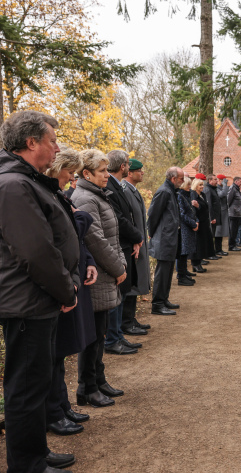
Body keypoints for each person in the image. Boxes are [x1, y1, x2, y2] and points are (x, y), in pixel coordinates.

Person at [0, 110, 78, 472]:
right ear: (31, 142)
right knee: (25, 389)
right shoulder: (11, 185)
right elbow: (34, 251)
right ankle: (27, 464)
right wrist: (65, 291)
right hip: (25, 302)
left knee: (36, 385)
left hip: (34, 299)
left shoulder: (25, 179)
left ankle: (35, 452)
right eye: (51, 141)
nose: (57, 148)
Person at [45, 150, 97, 437]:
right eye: (70, 173)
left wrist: (88, 263)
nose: (72, 179)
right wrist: (80, 218)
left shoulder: (61, 196)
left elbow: (77, 239)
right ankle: (54, 410)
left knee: (62, 351)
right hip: (60, 284)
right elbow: (65, 234)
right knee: (54, 353)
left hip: (73, 277)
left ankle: (61, 404)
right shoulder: (53, 196)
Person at [73, 149, 130, 410]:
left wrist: (120, 264)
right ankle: (87, 387)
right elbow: (96, 240)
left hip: (106, 274)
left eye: (108, 170)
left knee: (101, 330)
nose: (108, 175)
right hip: (97, 275)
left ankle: (99, 379)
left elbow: (112, 236)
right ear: (87, 174)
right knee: (93, 335)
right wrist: (118, 267)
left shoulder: (96, 195)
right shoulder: (85, 198)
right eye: (103, 171)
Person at [104, 150, 144, 354]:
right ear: (123, 166)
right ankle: (112, 338)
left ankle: (118, 334)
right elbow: (120, 218)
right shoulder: (109, 186)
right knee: (117, 295)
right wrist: (137, 237)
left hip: (125, 245)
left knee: (121, 294)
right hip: (119, 245)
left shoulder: (115, 184)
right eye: (128, 164)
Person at [147, 167, 184, 316]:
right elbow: (153, 215)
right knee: (162, 272)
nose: (183, 181)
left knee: (168, 271)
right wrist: (152, 234)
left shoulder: (171, 191)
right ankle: (157, 304)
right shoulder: (164, 191)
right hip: (164, 239)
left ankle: (164, 299)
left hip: (169, 237)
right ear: (173, 179)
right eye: (181, 178)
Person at [122, 159, 152, 336]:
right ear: (129, 173)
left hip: (139, 242)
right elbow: (128, 219)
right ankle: (126, 322)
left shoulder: (133, 190)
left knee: (137, 279)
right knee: (132, 282)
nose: (142, 173)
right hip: (133, 244)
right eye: (139, 170)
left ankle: (130, 318)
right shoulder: (126, 191)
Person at [190, 176, 217, 271]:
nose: (202, 187)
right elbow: (193, 209)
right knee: (198, 243)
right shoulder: (193, 194)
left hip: (204, 222)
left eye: (202, 185)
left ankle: (198, 262)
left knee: (202, 243)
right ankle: (195, 264)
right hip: (199, 223)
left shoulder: (202, 195)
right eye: (200, 185)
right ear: (195, 186)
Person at [178, 177, 199, 285]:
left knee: (186, 252)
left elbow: (191, 211)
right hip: (184, 227)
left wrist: (196, 221)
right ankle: (181, 276)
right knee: (182, 252)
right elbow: (182, 214)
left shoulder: (187, 195)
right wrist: (193, 223)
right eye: (188, 185)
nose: (190, 187)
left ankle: (184, 272)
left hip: (189, 226)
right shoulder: (180, 196)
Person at [203, 174, 222, 261]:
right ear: (210, 180)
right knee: (210, 235)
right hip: (212, 217)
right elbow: (209, 204)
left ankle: (211, 253)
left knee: (213, 235)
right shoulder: (208, 189)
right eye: (215, 180)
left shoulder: (213, 189)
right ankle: (209, 254)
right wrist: (212, 217)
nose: (217, 181)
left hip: (216, 216)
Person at [227, 177, 241, 252]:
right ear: (236, 181)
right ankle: (231, 246)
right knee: (233, 230)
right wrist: (232, 209)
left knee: (235, 230)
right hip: (233, 213)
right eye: (240, 181)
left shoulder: (236, 189)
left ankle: (233, 244)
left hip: (236, 213)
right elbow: (228, 200)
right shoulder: (233, 189)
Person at [215, 174, 231, 256]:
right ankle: (217, 249)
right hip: (220, 212)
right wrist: (225, 185)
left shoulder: (221, 187)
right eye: (223, 180)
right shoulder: (217, 188)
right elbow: (222, 194)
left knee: (221, 231)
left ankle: (219, 249)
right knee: (218, 231)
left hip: (223, 211)